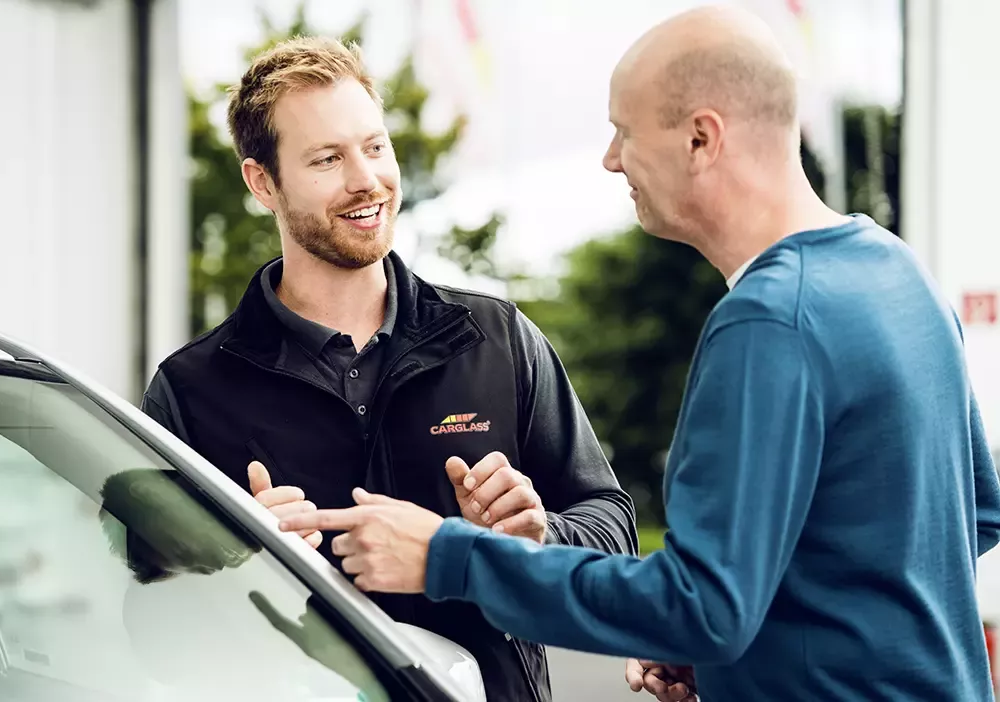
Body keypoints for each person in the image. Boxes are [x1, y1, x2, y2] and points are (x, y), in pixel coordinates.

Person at [277, 6, 1000, 702]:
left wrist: (448, 555)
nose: (611, 158)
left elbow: (704, 607)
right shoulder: (896, 271)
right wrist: (746, 645)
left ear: (700, 138)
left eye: (625, 130)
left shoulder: (770, 321)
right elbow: (972, 513)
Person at [140, 35, 639, 701]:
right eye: (327, 159)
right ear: (263, 181)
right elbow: (147, 623)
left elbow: (613, 530)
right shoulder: (190, 392)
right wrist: (231, 557)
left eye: (375, 147)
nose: (366, 180)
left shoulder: (497, 340)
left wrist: (539, 531)